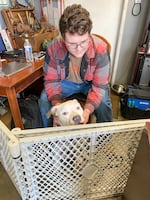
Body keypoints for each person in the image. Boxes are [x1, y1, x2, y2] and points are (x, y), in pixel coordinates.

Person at [38, 4, 113, 127]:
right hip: (66, 83)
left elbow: (99, 86)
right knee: (44, 99)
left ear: (89, 34)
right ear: (63, 38)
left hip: (90, 84)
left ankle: (104, 138)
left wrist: (87, 110)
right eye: (71, 44)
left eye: (83, 42)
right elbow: (52, 82)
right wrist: (57, 109)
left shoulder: (101, 49)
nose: (78, 49)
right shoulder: (53, 48)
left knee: (103, 102)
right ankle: (49, 135)